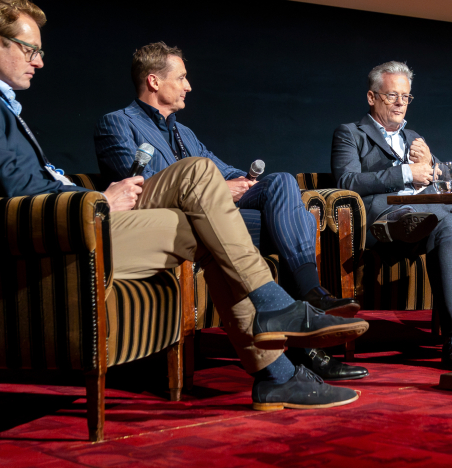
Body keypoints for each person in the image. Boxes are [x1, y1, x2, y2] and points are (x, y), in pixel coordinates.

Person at [0, 0, 369, 410]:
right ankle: (276, 321)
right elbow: (17, 185)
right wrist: (97, 198)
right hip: (54, 238)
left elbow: (26, 179)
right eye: (30, 50)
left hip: (75, 225)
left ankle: (277, 370)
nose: (39, 61)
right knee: (198, 178)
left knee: (213, 205)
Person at [93, 42, 367, 382]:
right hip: (175, 221)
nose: (188, 86)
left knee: (281, 181)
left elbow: (224, 170)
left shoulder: (183, 132)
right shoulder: (117, 123)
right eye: (181, 78)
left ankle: (311, 294)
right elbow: (140, 188)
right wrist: (222, 188)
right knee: (285, 227)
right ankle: (307, 347)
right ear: (153, 81)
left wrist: (242, 182)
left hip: (216, 215)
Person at [331, 61, 452, 369]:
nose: (400, 103)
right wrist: (405, 173)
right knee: (446, 222)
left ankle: (415, 224)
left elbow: (444, 181)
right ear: (372, 97)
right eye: (392, 96)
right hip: (380, 217)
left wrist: (432, 166)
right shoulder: (350, 133)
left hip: (423, 215)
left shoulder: (413, 136)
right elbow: (347, 181)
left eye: (406, 97)